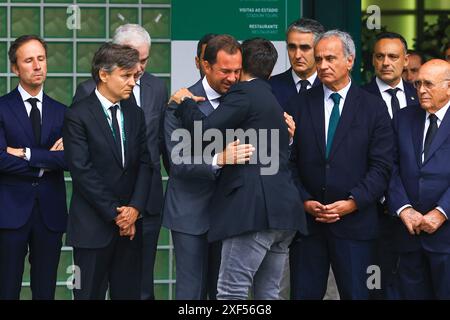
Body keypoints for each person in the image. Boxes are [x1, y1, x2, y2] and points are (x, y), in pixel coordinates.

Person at [171, 37, 307, 300]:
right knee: (268, 294)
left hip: (253, 211)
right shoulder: (271, 98)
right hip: (284, 214)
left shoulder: (245, 93)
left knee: (230, 293)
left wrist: (184, 102)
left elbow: (205, 133)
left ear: (243, 63)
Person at [287, 30, 393, 299]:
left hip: (356, 225)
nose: (322, 66)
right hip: (309, 226)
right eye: (319, 59)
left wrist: (353, 202)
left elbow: (382, 166)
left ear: (350, 61)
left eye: (330, 58)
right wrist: (304, 200)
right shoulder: (298, 104)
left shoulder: (373, 107)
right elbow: (288, 162)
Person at [72, 24, 168, 300]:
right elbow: (83, 167)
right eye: (128, 67)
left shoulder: (149, 96)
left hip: (140, 212)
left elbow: (151, 156)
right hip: (96, 218)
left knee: (138, 290)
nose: (136, 72)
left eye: (143, 61)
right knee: (89, 291)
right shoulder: (83, 102)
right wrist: (117, 213)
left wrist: (134, 209)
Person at [164, 34, 248, 299]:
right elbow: (177, 162)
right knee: (191, 293)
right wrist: (219, 159)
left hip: (230, 213)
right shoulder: (179, 104)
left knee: (226, 292)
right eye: (225, 71)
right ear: (205, 65)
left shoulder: (244, 100)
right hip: (189, 213)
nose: (232, 78)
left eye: (237, 71)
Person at [0, 35, 67, 299]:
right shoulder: (2, 108)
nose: (37, 66)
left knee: (45, 291)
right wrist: (45, 160)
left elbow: (69, 159)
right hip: (10, 214)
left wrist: (26, 154)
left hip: (50, 214)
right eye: (29, 60)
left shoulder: (63, 112)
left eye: (41, 59)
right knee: (6, 289)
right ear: (15, 68)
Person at [387, 59, 450, 299]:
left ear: (449, 87)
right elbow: (389, 167)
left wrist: (442, 212)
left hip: (446, 237)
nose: (421, 90)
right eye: (418, 84)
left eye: (429, 85)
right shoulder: (404, 117)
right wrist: (403, 209)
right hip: (408, 234)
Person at [362, 32, 418, 299]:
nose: (386, 62)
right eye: (380, 56)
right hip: (373, 211)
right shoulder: (358, 98)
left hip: (416, 211)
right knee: (375, 286)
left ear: (405, 60)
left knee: (412, 284)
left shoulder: (422, 96)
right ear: (372, 60)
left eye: (393, 56)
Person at [269, 18, 324, 112]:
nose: (297, 55)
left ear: (319, 49)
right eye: (292, 47)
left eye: (305, 48)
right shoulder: (270, 87)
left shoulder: (329, 87)